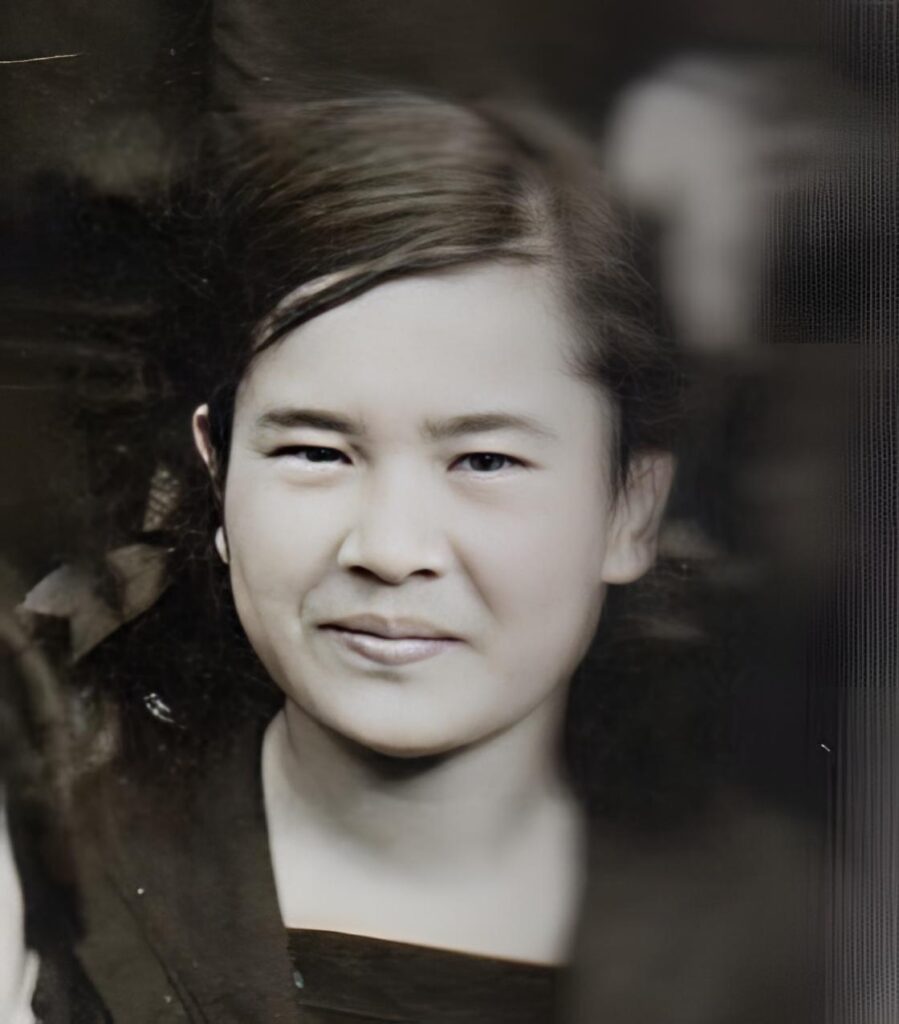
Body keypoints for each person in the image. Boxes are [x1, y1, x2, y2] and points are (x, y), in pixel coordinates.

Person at [18, 89, 683, 1023]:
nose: (389, 550)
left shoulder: (791, 928)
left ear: (629, 511)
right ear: (219, 475)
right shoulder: (40, 890)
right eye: (315, 452)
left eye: (484, 460)